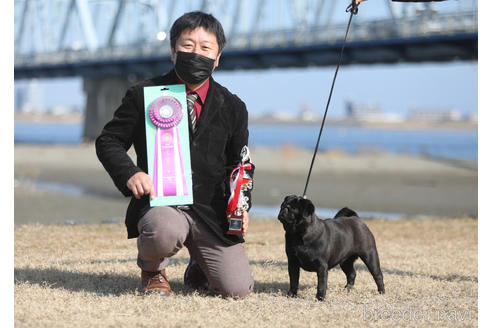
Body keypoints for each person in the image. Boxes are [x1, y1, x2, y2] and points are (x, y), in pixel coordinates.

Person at [95, 11, 253, 298]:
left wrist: (241, 206)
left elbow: (240, 164)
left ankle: (198, 265)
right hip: (161, 204)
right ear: (173, 51)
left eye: (206, 48)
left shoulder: (234, 106)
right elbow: (108, 141)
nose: (196, 53)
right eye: (188, 45)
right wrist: (131, 173)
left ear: (218, 58)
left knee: (237, 290)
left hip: (212, 210)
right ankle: (153, 271)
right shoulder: (143, 94)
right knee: (163, 230)